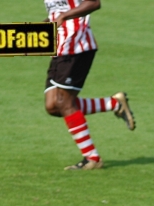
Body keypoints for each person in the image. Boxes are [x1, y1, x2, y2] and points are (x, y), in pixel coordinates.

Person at [43, 0, 135, 170]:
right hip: (60, 47)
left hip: (77, 47)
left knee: (64, 103)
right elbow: (57, 10)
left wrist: (64, 16)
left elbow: (93, 3)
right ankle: (115, 103)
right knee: (52, 106)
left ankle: (92, 159)